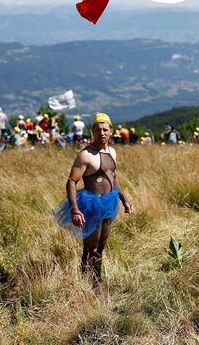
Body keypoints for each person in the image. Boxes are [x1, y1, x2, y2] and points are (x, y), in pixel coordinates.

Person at [52, 112, 134, 287]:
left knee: (100, 246)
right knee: (92, 248)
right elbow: (71, 182)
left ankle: (89, 279)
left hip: (109, 202)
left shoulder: (112, 151)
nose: (102, 133)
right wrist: (75, 209)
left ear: (111, 131)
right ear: (92, 131)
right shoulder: (86, 155)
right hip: (91, 205)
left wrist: (123, 199)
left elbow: (114, 177)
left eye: (105, 129)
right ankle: (95, 284)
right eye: (98, 130)